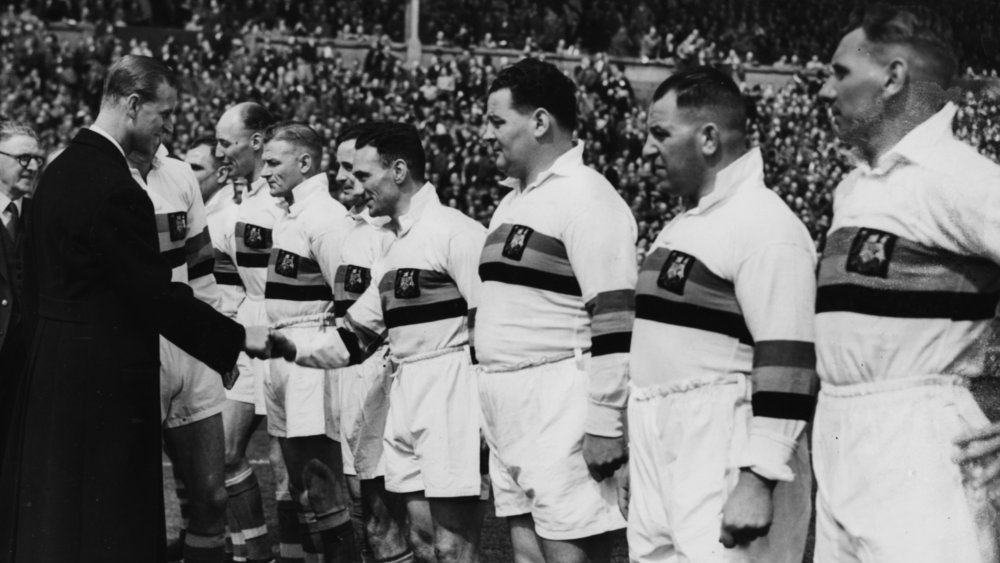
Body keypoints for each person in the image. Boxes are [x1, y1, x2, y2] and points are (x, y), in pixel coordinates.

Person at [0, 54, 268, 563]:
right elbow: (152, 293)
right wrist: (234, 339)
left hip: (54, 366)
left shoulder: (58, 172)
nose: (167, 125)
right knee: (111, 519)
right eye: (162, 113)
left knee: (61, 517)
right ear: (131, 103)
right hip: (104, 370)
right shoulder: (115, 186)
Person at [816, 4, 1000, 561]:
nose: (826, 90)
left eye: (840, 72)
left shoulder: (961, 178)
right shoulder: (853, 190)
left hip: (924, 444)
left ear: (893, 78)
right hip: (839, 433)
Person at [268, 123, 488, 563]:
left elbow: (487, 323)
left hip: (451, 391)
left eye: (366, 175)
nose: (356, 185)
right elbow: (354, 337)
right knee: (423, 543)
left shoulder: (458, 232)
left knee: (452, 546)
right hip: (404, 387)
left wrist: (484, 414)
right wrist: (283, 346)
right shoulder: (392, 244)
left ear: (399, 171)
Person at [629, 67, 816, 562]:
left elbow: (791, 357)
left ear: (708, 137)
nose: (648, 149)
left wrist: (759, 478)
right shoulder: (682, 226)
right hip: (662, 451)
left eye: (660, 133)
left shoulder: (765, 224)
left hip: (723, 450)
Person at [474, 57, 634, 563]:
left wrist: (605, 422)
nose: (485, 133)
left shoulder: (588, 198)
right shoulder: (511, 203)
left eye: (497, 121)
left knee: (569, 554)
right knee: (526, 554)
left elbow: (615, 318)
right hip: (507, 401)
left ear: (539, 122)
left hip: (559, 398)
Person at [127, 141, 233, 562]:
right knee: (133, 501)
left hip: (188, 346)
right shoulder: (98, 171)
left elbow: (202, 269)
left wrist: (214, 342)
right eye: (161, 109)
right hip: (130, 345)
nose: (169, 121)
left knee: (212, 496)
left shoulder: (179, 173)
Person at [260, 121, 357, 561]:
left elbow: (350, 302)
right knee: (300, 488)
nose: (264, 172)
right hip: (282, 353)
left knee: (323, 488)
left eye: (273, 162)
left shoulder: (326, 218)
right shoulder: (292, 213)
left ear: (304, 163)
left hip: (311, 356)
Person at [215, 103, 292, 562]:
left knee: (291, 466)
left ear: (258, 141)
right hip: (247, 329)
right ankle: (256, 553)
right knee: (224, 451)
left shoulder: (287, 198)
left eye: (227, 142)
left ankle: (297, 553)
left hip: (286, 328)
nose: (221, 150)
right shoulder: (232, 200)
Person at [331, 123, 411, 563]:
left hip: (387, 383)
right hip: (352, 381)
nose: (346, 178)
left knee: (388, 521)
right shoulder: (349, 230)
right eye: (343, 168)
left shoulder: (393, 234)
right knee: (366, 512)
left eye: (356, 170)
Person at [0, 121, 42, 464]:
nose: (31, 166)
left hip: (28, 364)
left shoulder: (39, 217)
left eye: (36, 159)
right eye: (22, 158)